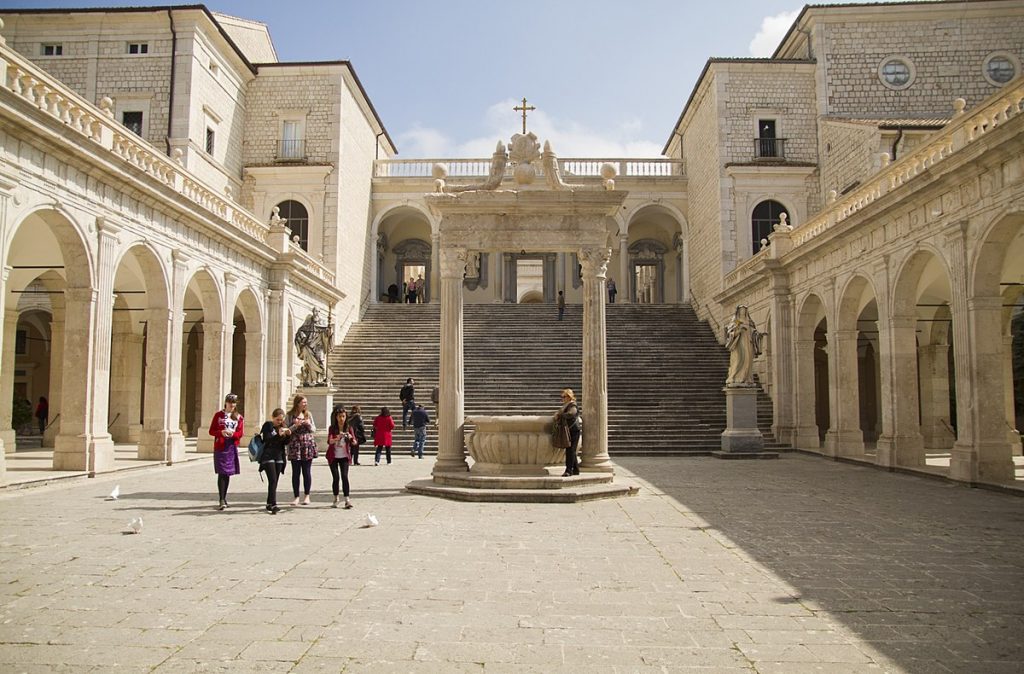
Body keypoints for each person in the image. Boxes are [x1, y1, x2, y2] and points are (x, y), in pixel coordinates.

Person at [209, 393, 243, 510]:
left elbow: (240, 433)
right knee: (222, 472)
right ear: (225, 402)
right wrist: (221, 432)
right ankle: (221, 498)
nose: (232, 405)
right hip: (221, 446)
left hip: (231, 446)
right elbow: (211, 431)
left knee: (227, 473)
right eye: (230, 402)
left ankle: (224, 497)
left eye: (234, 402)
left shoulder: (238, 417)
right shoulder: (218, 415)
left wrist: (233, 434)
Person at [286, 394, 318, 505]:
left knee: (307, 471)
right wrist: (296, 425)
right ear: (298, 403)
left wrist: (308, 424)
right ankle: (296, 496)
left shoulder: (308, 414)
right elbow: (286, 430)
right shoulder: (290, 415)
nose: (305, 404)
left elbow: (314, 429)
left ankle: (307, 496)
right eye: (303, 402)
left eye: (306, 402)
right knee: (296, 472)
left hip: (307, 444)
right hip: (295, 445)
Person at [258, 408, 290, 514]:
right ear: (273, 417)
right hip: (268, 455)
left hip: (279, 456)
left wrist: (288, 435)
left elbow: (285, 443)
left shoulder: (283, 427)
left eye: (281, 420)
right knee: (272, 480)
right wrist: (277, 435)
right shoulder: (268, 425)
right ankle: (273, 504)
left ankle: (269, 502)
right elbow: (267, 439)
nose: (279, 422)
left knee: (275, 481)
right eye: (278, 420)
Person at [327, 406, 355, 509]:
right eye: (339, 416)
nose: (341, 419)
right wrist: (337, 437)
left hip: (344, 456)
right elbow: (329, 441)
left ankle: (347, 499)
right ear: (336, 417)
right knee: (336, 477)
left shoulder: (349, 428)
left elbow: (355, 442)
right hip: (333, 456)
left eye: (343, 416)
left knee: (344, 476)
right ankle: (336, 498)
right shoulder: (332, 428)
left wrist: (350, 438)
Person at [554, 388, 581, 477]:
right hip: (569, 430)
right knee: (570, 450)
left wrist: (560, 415)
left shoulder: (572, 405)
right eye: (562, 397)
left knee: (570, 450)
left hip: (573, 430)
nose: (562, 398)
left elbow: (571, 414)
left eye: (564, 396)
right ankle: (576, 469)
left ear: (569, 397)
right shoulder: (566, 405)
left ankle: (569, 470)